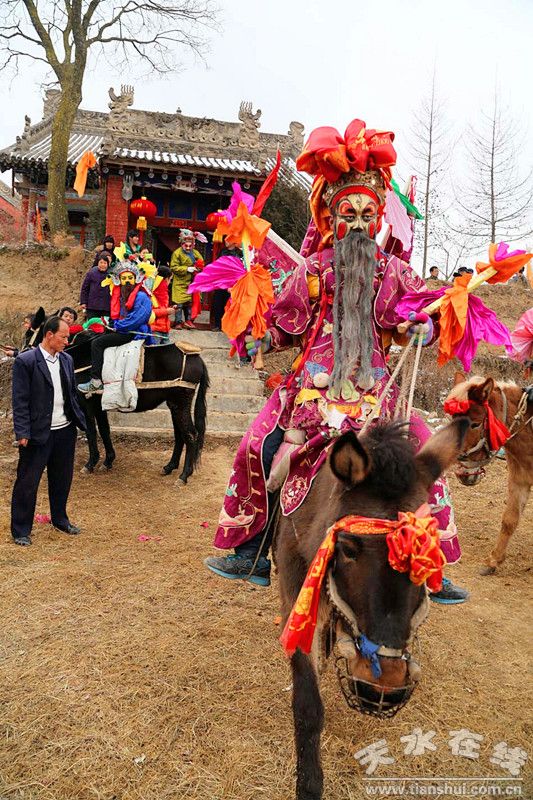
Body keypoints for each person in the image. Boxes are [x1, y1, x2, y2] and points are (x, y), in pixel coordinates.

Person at [204, 117, 468, 604]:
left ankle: (435, 561)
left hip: (377, 392)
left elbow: (422, 310)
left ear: (379, 219)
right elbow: (286, 324)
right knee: (256, 445)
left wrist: (426, 326)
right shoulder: (312, 271)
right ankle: (255, 548)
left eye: (370, 214)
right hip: (312, 388)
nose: (360, 224)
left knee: (427, 455)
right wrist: (259, 334)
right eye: (350, 213)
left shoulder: (394, 272)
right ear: (331, 217)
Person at [10, 316, 86, 546]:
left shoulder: (67, 359)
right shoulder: (26, 361)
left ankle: (60, 519)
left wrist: (77, 420)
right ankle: (21, 529)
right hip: (37, 433)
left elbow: (70, 392)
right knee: (27, 482)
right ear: (49, 335)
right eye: (63, 337)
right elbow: (20, 400)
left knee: (62, 479)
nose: (67, 341)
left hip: (64, 430)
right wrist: (22, 432)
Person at [77, 262, 153, 393]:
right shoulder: (123, 296)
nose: (127, 282)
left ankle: (95, 381)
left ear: (136, 279)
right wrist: (111, 323)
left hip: (132, 332)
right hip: (124, 329)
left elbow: (136, 319)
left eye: (130, 278)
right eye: (124, 279)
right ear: (120, 280)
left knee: (97, 343)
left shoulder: (141, 296)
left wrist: (117, 326)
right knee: (96, 336)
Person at [170, 229, 204, 329]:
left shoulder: (196, 253)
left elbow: (201, 262)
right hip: (180, 282)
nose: (188, 248)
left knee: (189, 303)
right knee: (179, 303)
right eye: (186, 246)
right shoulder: (177, 253)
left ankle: (189, 320)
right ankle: (178, 322)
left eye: (190, 245)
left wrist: (198, 268)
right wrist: (186, 269)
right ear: (182, 244)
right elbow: (173, 267)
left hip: (191, 282)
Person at [80, 252, 112, 319]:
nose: (103, 265)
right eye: (101, 262)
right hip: (93, 306)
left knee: (105, 326)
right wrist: (83, 302)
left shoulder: (112, 274)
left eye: (105, 263)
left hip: (106, 307)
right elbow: (85, 288)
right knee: (92, 325)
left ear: (108, 264)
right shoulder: (92, 272)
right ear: (98, 263)